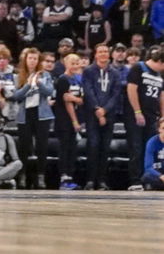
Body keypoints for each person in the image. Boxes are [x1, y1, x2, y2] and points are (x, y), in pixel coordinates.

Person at [10, 46, 55, 189]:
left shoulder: (45, 75)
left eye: (35, 59)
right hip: (25, 115)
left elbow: (49, 92)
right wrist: (28, 85)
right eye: (30, 58)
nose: (32, 61)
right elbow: (16, 96)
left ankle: (41, 176)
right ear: (25, 60)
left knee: (42, 147)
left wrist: (39, 83)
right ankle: (22, 176)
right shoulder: (18, 76)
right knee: (24, 146)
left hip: (42, 115)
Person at [82, 41, 122, 191]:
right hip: (92, 114)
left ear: (109, 54)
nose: (103, 54)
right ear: (95, 54)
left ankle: (102, 180)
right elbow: (88, 91)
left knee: (105, 147)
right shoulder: (88, 71)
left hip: (109, 114)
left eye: (106, 51)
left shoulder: (115, 73)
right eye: (100, 52)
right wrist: (98, 109)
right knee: (93, 146)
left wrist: (104, 111)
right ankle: (90, 180)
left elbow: (116, 95)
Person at [124, 44, 164, 191]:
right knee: (136, 147)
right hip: (136, 115)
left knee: (149, 148)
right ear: (161, 61)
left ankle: (147, 178)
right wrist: (137, 111)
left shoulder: (159, 75)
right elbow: (131, 90)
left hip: (152, 116)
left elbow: (161, 96)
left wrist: (163, 116)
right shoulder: (138, 68)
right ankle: (135, 181)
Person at [52, 51, 83, 190]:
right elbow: (67, 102)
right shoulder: (63, 80)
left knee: (72, 150)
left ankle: (70, 177)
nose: (75, 66)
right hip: (64, 120)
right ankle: (63, 178)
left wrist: (76, 99)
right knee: (64, 149)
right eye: (72, 63)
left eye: (77, 63)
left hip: (75, 119)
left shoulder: (78, 80)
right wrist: (75, 121)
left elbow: (81, 100)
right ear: (66, 64)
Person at [142, 116, 164, 191]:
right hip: (158, 172)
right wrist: (161, 176)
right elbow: (148, 167)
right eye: (163, 128)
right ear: (159, 129)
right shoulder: (152, 142)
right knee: (146, 176)